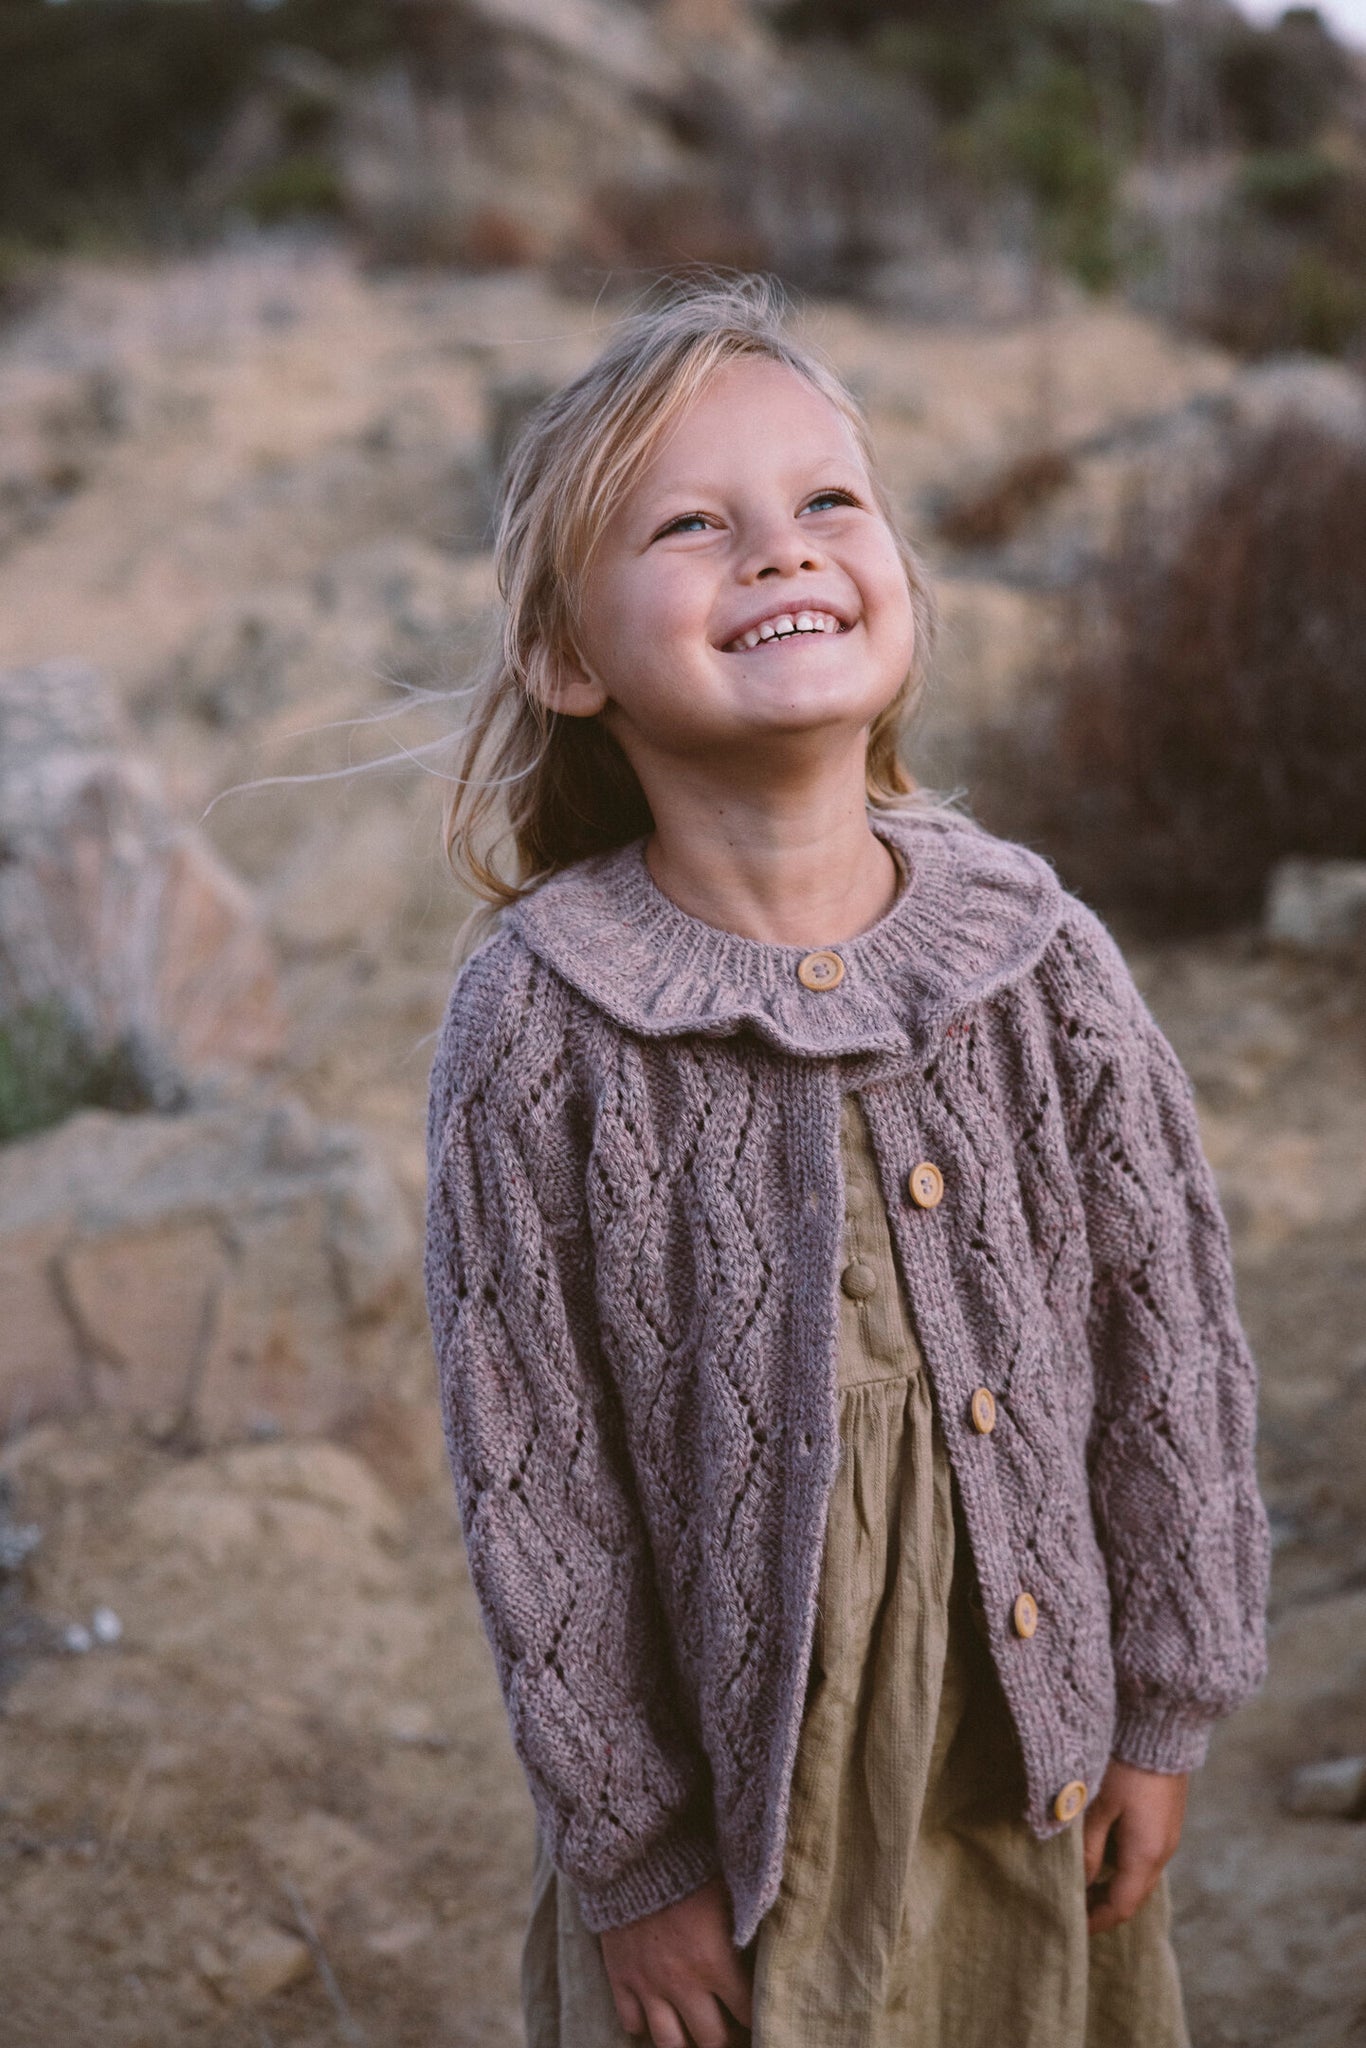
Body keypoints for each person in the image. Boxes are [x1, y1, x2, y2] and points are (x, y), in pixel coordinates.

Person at [422, 275, 1271, 2048]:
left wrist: (1160, 1711)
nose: (778, 551)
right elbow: (538, 1481)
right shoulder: (541, 1025)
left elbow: (1163, 1352)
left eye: (825, 503)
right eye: (688, 524)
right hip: (743, 1829)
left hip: (1014, 1765)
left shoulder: (1037, 959)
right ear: (571, 659)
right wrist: (634, 1869)